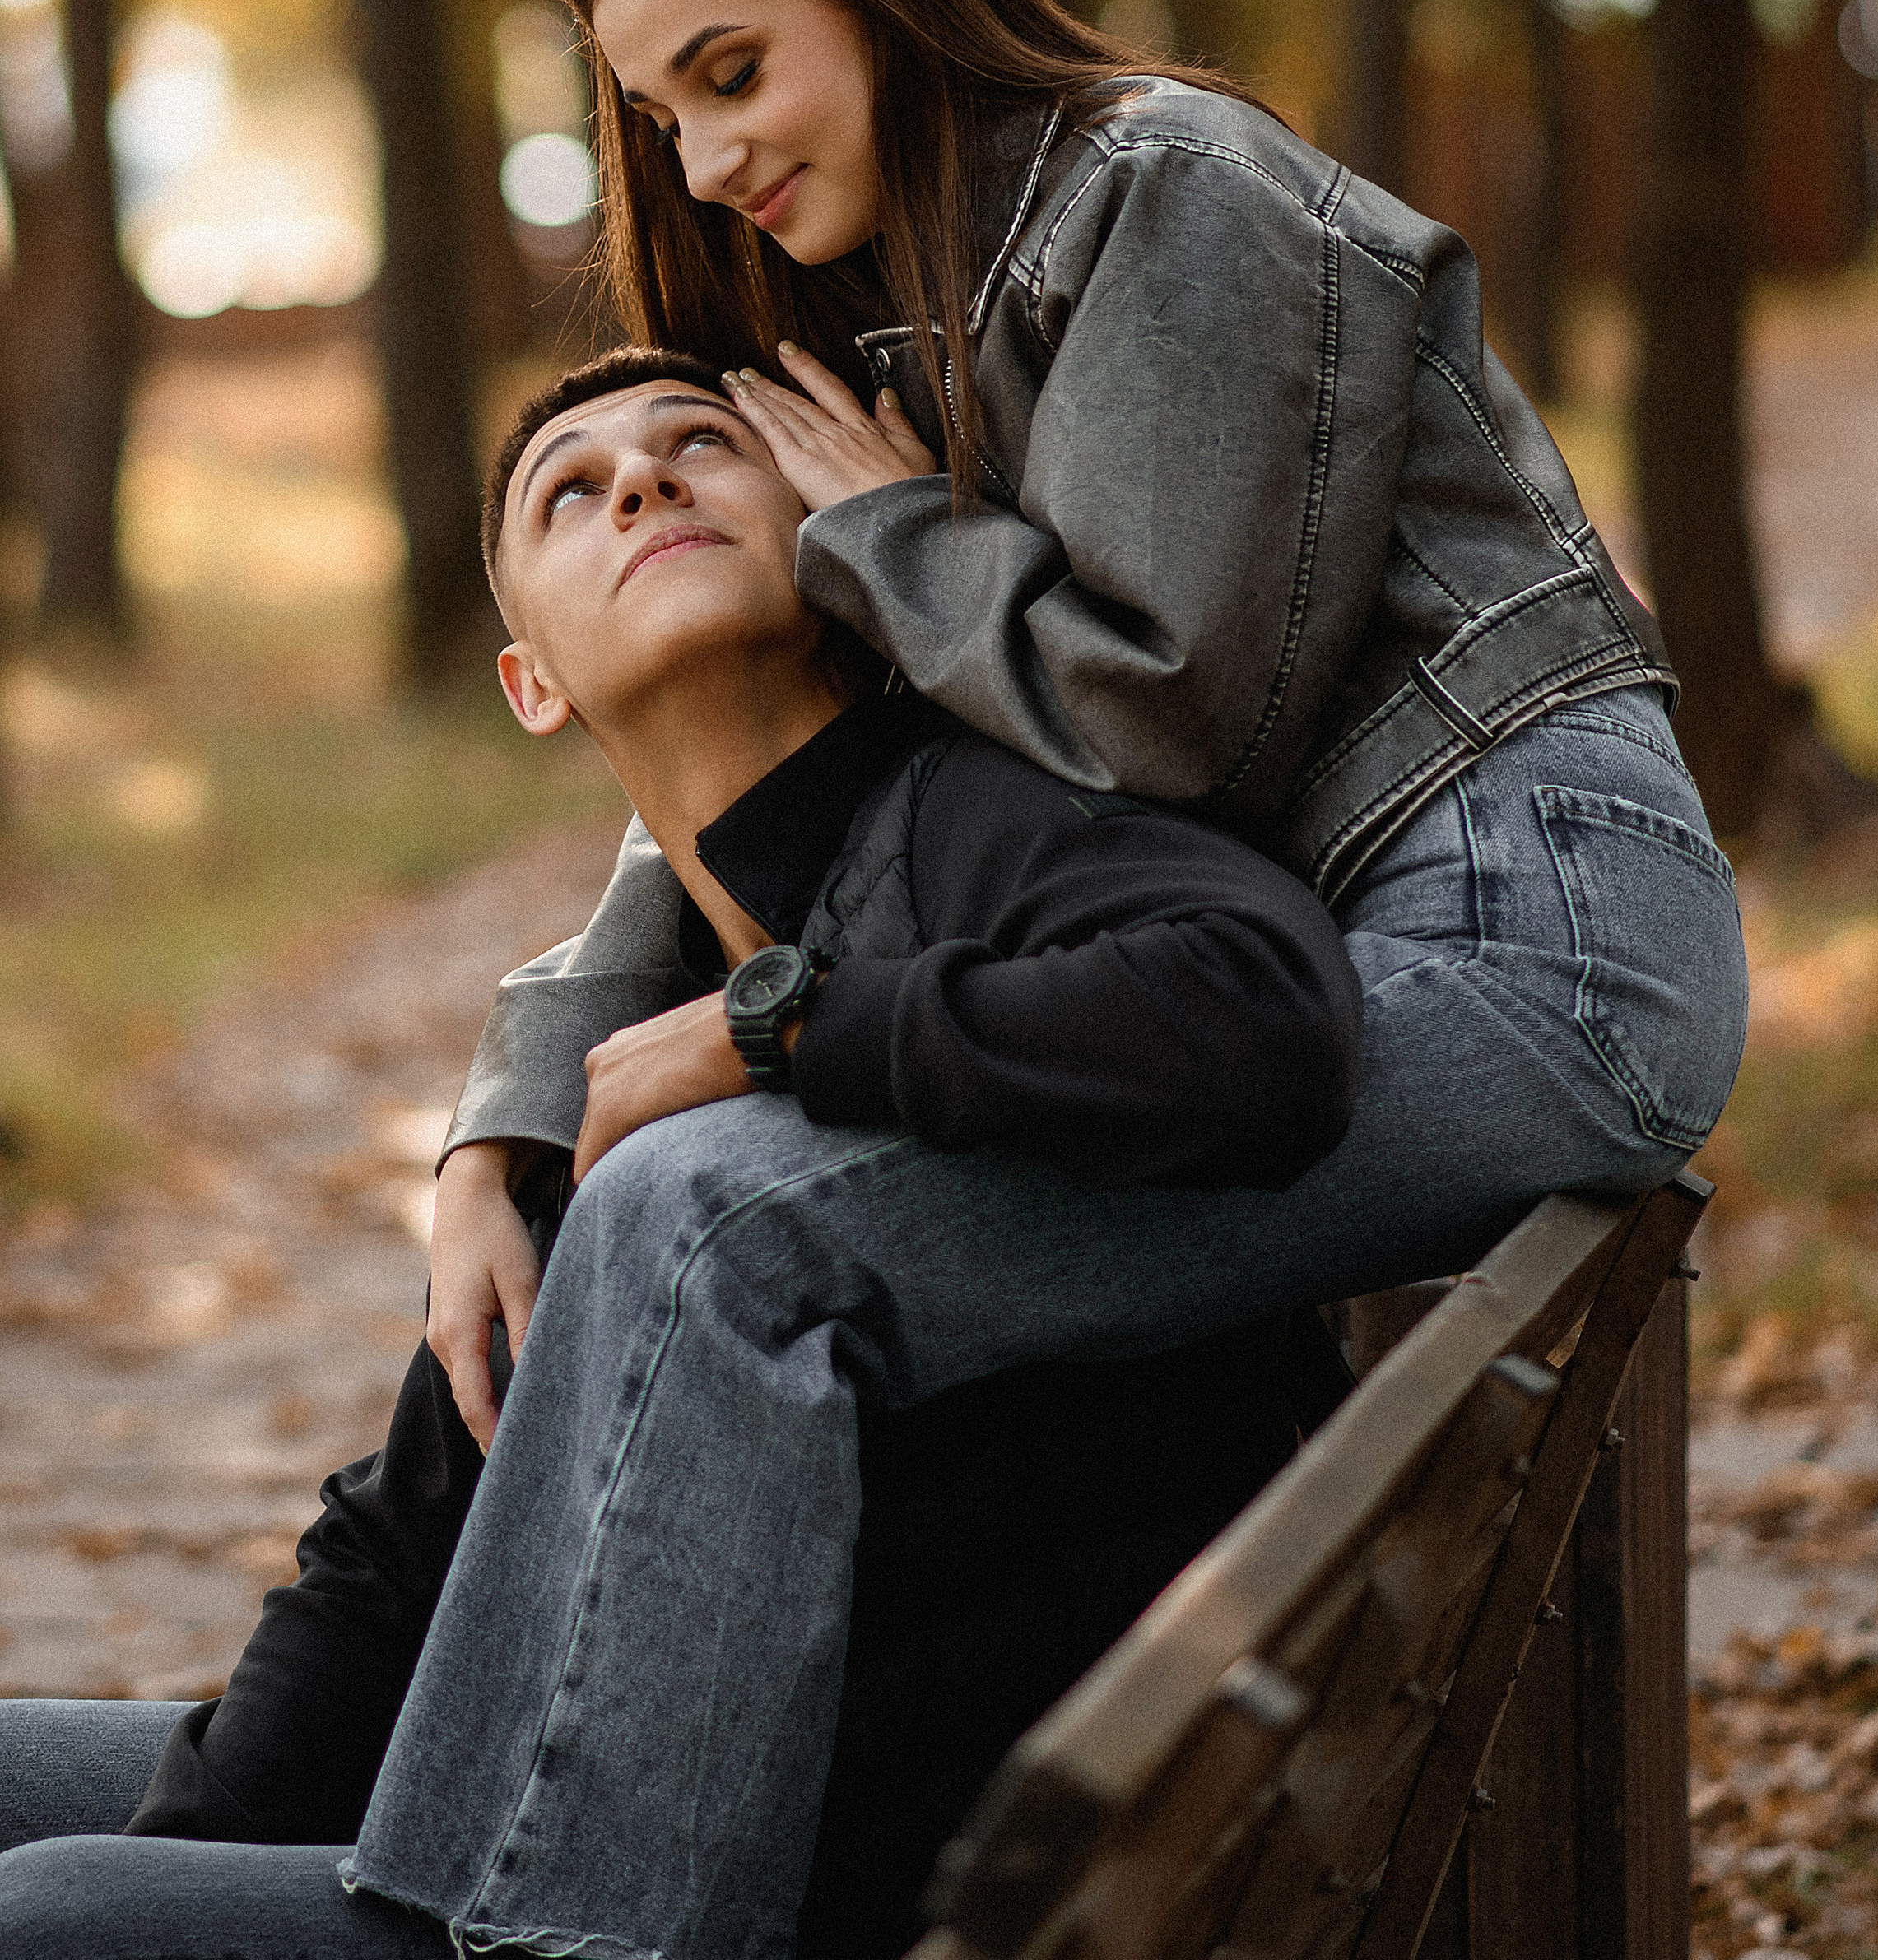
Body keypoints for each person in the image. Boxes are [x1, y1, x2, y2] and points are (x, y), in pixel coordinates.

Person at [334, 0, 1746, 1960]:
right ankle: (471, 1864)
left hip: (1526, 945)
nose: (707, 157)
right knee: (684, 1191)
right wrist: (513, 1103)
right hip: (1343, 955)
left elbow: (1162, 725)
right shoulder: (915, 293)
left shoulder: (1166, 189)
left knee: (723, 1215)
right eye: (661, 115)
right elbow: (788, 790)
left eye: (734, 71)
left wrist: (884, 540)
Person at [0, 353, 1364, 1960]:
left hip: (798, 1869)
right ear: (531, 684)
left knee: (50, 1919)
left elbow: (1263, 1010)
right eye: (570, 491)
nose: (639, 484)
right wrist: (199, 1848)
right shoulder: (657, 999)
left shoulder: (961, 823)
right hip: (536, 1764)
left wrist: (785, 1022)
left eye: (699, 446)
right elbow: (397, 1544)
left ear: (827, 544)